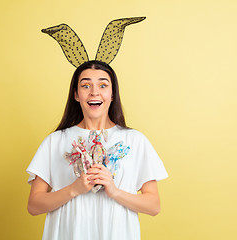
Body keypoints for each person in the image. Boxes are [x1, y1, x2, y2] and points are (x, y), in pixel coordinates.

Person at [26, 60, 169, 240]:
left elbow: (154, 205)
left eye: (103, 85)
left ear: (112, 94)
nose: (94, 92)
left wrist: (114, 191)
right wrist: (74, 189)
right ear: (76, 95)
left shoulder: (135, 140)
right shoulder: (55, 141)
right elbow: (34, 205)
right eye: (86, 85)